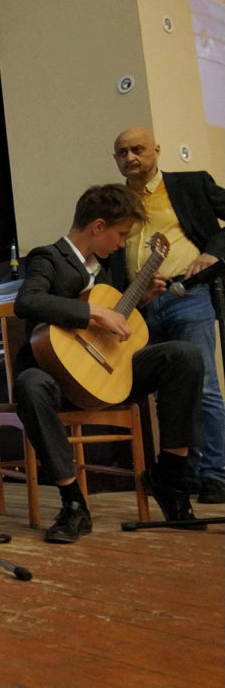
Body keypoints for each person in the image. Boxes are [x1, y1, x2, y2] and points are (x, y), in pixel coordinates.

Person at [14, 183, 205, 542]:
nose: (121, 244)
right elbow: (28, 301)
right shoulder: (48, 257)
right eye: (120, 235)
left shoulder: (102, 271)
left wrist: (139, 301)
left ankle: (169, 475)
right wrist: (95, 313)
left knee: (184, 355)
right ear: (98, 226)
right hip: (56, 377)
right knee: (29, 385)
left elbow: (112, 331)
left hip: (104, 375)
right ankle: (73, 503)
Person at [110, 126, 225, 504]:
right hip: (138, 306)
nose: (130, 157)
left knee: (203, 386)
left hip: (187, 296)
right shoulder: (115, 202)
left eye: (138, 149)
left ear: (156, 150)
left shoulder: (191, 184)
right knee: (167, 393)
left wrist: (214, 252)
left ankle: (216, 475)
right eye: (123, 152)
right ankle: (184, 473)